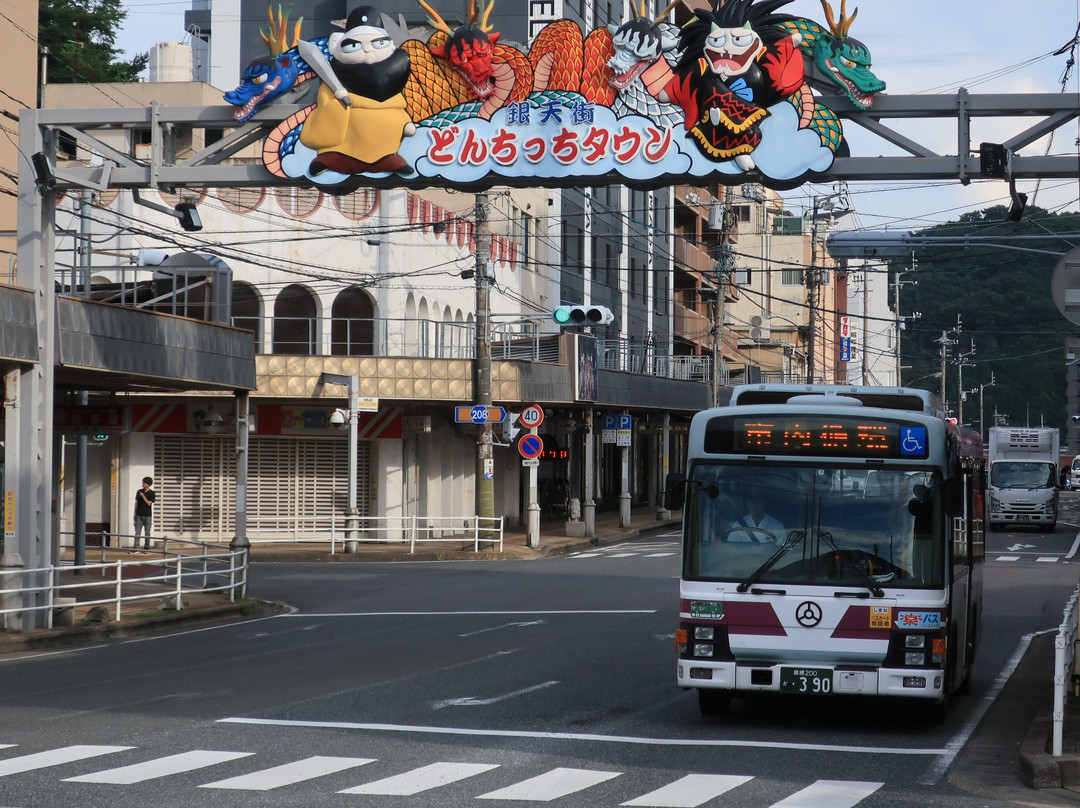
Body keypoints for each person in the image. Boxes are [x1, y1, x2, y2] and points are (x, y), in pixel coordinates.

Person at [133, 476, 156, 550]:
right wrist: (135, 513)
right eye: (143, 482)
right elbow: (136, 503)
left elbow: (149, 503)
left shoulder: (152, 493)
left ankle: (147, 545)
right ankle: (136, 546)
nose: (143, 484)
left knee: (147, 532)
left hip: (147, 515)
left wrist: (143, 496)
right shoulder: (139, 491)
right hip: (139, 514)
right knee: (137, 531)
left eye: (144, 483)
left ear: (148, 484)